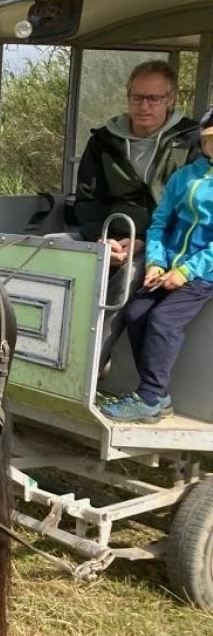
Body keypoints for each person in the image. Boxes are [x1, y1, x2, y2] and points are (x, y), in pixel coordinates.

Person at [73, 60, 201, 367]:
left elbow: (194, 209)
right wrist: (100, 238)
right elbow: (87, 199)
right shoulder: (103, 140)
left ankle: (89, 367)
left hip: (162, 241)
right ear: (128, 96)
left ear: (170, 99)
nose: (144, 106)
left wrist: (144, 240)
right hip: (109, 234)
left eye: (154, 98)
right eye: (137, 97)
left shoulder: (192, 141)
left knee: (129, 276)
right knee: (53, 248)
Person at [100, 109, 213, 423]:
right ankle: (158, 395)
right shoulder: (185, 176)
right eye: (210, 139)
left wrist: (186, 272)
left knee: (163, 321)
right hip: (169, 266)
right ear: (203, 141)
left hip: (204, 272)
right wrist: (155, 263)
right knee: (137, 313)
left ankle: (149, 397)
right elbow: (160, 224)